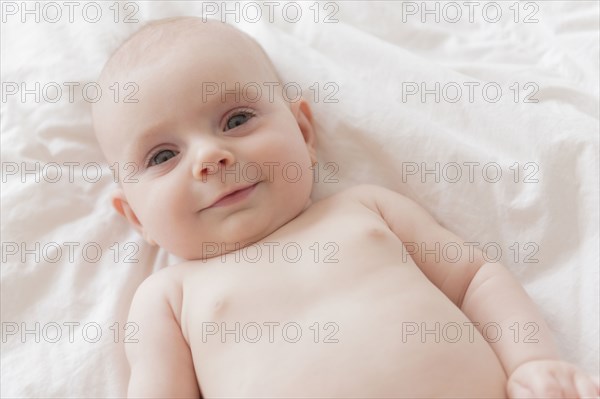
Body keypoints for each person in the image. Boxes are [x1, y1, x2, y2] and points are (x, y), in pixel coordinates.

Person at [92, 16, 600, 398]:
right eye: (163, 155)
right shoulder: (168, 297)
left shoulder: (366, 210)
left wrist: (532, 363)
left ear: (304, 132)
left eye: (236, 119)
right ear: (137, 217)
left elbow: (476, 279)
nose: (210, 156)